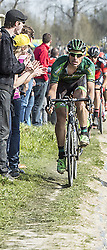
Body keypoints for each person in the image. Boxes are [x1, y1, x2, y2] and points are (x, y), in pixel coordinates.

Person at [46, 39, 95, 174]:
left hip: (79, 84)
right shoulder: (59, 64)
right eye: (73, 55)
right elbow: (53, 88)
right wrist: (50, 101)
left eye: (79, 55)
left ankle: (84, 132)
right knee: (61, 117)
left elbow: (91, 89)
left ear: (83, 56)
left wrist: (90, 102)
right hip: (62, 86)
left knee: (81, 100)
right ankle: (61, 155)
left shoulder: (88, 64)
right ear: (68, 54)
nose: (75, 58)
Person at [8, 34, 45, 178]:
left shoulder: (18, 59)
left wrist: (32, 74)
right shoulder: (14, 59)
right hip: (12, 98)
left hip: (15, 97)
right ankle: (10, 163)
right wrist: (30, 72)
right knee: (11, 132)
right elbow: (16, 83)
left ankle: (13, 162)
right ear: (22, 48)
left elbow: (23, 81)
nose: (28, 51)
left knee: (14, 131)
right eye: (26, 48)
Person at [0, 9, 29, 180]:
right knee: (4, 130)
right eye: (22, 23)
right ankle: (3, 171)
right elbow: (6, 67)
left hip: (5, 87)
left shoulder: (5, 38)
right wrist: (23, 67)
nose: (23, 27)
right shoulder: (5, 39)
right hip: (3, 88)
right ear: (16, 24)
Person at [31, 33, 51, 125]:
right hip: (41, 79)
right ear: (50, 41)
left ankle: (34, 121)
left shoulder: (38, 48)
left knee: (36, 102)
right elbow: (43, 66)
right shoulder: (44, 50)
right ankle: (36, 123)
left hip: (35, 77)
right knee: (38, 103)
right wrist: (46, 79)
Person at [87, 47, 107, 126]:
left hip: (97, 78)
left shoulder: (101, 62)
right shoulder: (85, 61)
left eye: (95, 57)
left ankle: (96, 114)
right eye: (91, 57)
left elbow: (106, 77)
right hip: (88, 78)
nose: (93, 59)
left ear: (98, 56)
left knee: (96, 91)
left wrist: (103, 86)